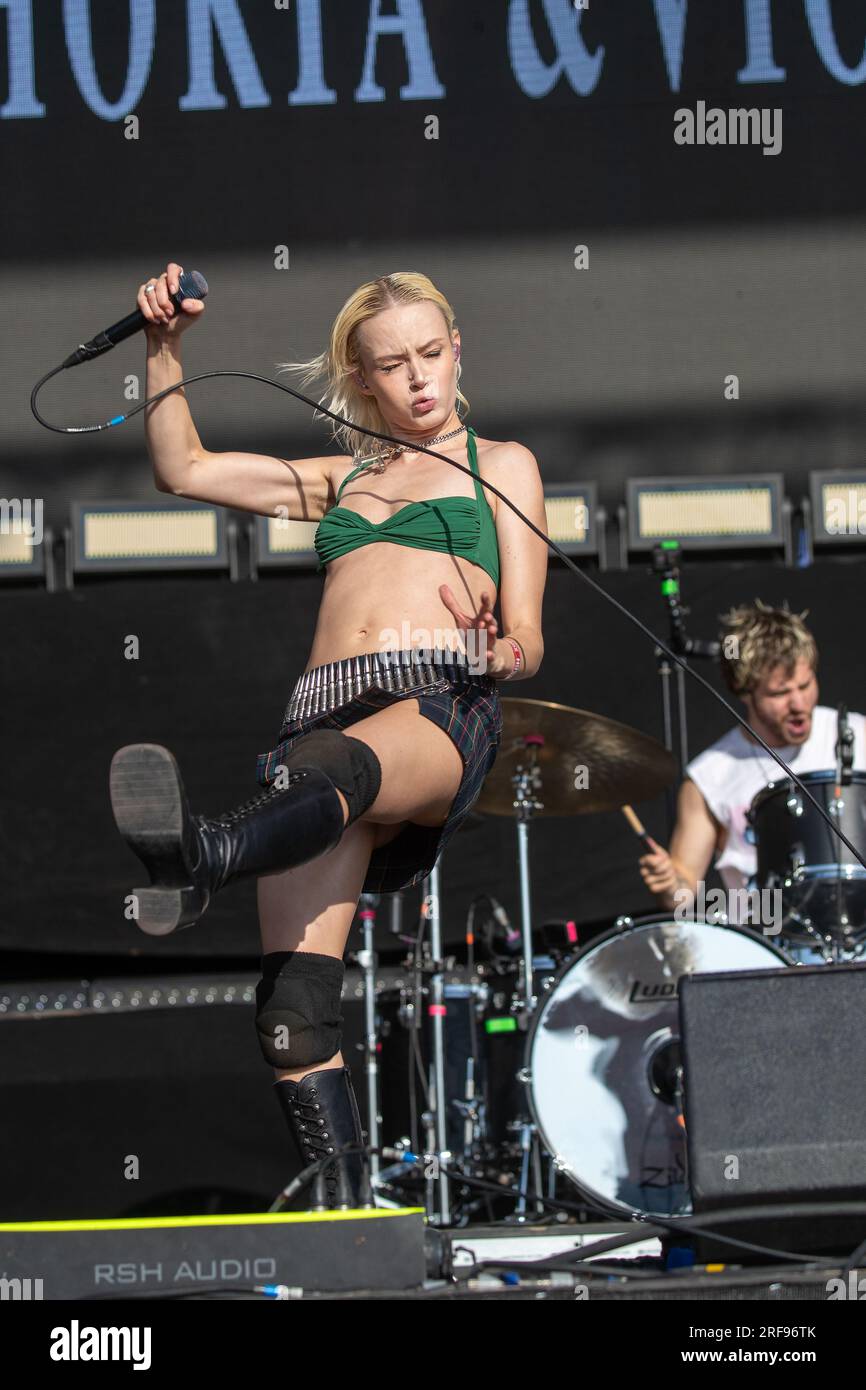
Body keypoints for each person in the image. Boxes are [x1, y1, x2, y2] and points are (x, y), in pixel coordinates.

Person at [109, 264, 548, 1207]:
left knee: (336, 766)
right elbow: (181, 468)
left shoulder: (500, 466)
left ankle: (205, 854)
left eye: (433, 353)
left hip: (439, 701)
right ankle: (349, 1215)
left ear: (457, 349)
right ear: (362, 378)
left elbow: (530, 637)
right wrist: (163, 348)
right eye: (394, 364)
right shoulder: (339, 477)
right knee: (292, 1017)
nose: (420, 378)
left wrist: (498, 650)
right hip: (320, 720)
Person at [639, 600, 866, 931]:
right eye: (779, 693)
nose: (799, 704)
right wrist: (669, 884)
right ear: (745, 692)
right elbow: (683, 895)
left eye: (805, 685)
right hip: (766, 938)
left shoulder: (858, 734)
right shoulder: (711, 775)